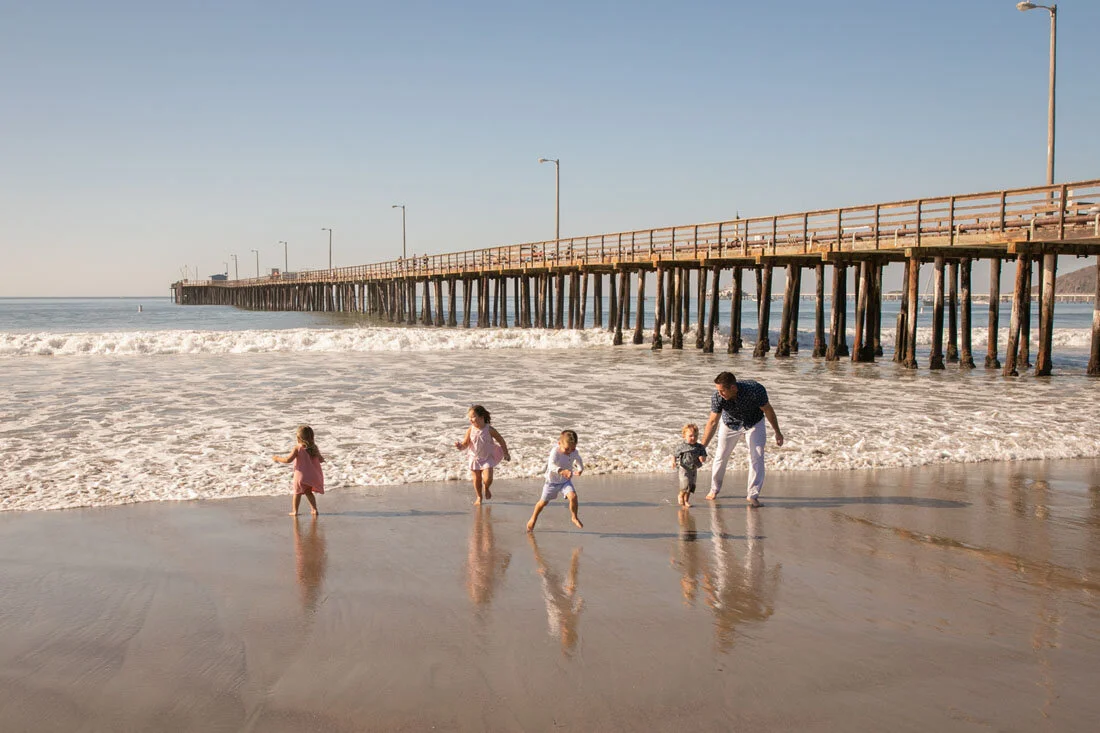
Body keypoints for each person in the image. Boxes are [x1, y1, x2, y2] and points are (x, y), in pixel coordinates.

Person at [701, 371, 784, 507]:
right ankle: (714, 489)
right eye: (718, 390)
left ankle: (753, 495)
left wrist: (777, 432)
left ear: (733, 388)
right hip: (730, 424)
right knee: (721, 456)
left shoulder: (755, 390)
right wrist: (702, 447)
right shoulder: (717, 397)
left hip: (754, 423)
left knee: (757, 455)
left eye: (722, 391)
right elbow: (712, 422)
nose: (719, 394)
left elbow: (768, 410)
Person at [526, 430, 584, 531]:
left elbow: (578, 459)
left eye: (573, 448)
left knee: (573, 497)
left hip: (565, 481)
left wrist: (580, 469)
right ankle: (533, 518)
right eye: (567, 449)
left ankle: (574, 517)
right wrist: (561, 471)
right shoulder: (555, 452)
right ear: (559, 443)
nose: (570, 451)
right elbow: (551, 465)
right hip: (551, 482)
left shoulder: (574, 451)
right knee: (542, 503)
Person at [454, 405, 511, 504]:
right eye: (469, 417)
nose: (470, 419)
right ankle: (479, 497)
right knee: (477, 480)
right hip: (474, 458)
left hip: (487, 458)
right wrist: (460, 446)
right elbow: (465, 444)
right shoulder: (470, 429)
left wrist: (506, 453)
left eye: (473, 417)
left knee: (488, 478)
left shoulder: (489, 429)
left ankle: (487, 487)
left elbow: (501, 440)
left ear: (481, 417)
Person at [273, 425, 325, 516]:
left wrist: (277, 458)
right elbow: (320, 459)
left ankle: (295, 511)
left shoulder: (298, 448)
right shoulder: (314, 448)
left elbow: (288, 460)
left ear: (298, 438)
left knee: (297, 493)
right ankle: (314, 509)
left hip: (301, 476)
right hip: (312, 476)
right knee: (308, 492)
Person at [670, 423, 707, 507]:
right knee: (685, 484)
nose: (693, 438)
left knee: (691, 485)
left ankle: (686, 500)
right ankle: (680, 495)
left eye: (695, 436)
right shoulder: (682, 446)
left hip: (694, 468)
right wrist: (673, 461)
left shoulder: (700, 447)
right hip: (684, 468)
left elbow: (704, 455)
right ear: (684, 436)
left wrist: (702, 458)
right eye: (690, 436)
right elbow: (674, 454)